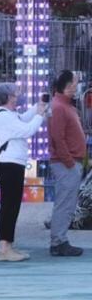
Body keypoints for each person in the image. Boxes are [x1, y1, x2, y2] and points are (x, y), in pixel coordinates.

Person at [0, 82, 47, 262]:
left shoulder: (9, 115)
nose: (18, 97)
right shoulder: (4, 117)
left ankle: (8, 245)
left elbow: (23, 118)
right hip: (9, 165)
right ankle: (4, 248)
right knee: (9, 206)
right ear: (8, 97)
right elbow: (27, 129)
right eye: (16, 94)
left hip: (14, 164)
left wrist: (36, 107)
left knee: (12, 206)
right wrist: (39, 115)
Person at [47, 70, 86, 257]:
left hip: (70, 162)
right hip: (66, 164)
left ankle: (60, 240)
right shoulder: (59, 107)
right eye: (75, 83)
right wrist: (70, 162)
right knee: (64, 203)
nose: (77, 87)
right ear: (68, 85)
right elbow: (57, 138)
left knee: (67, 203)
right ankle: (58, 241)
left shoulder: (66, 106)